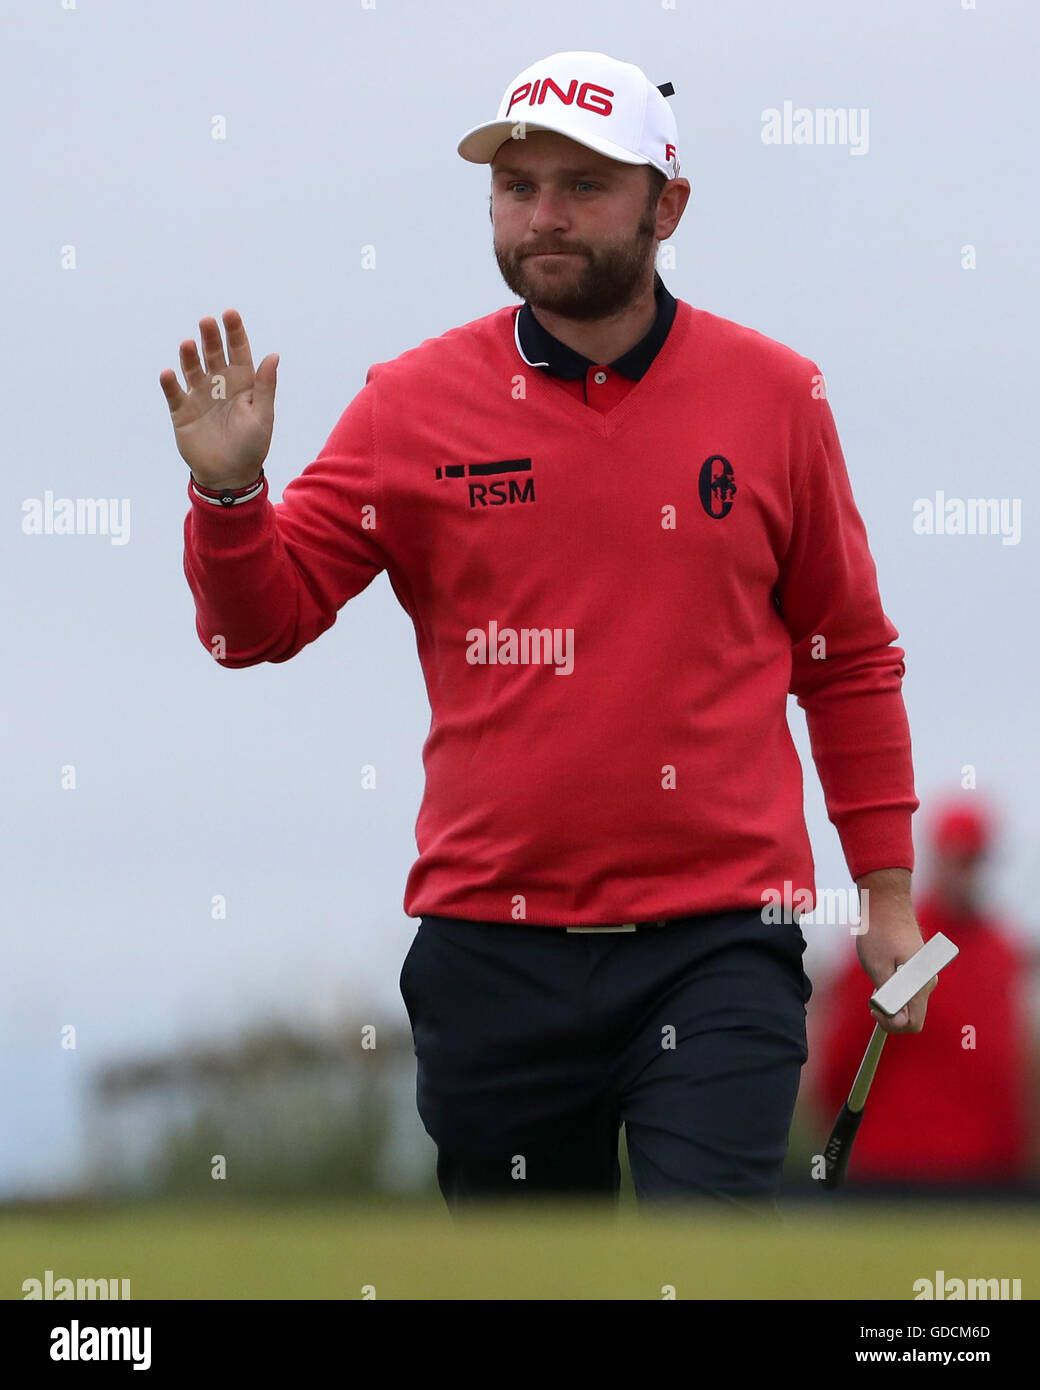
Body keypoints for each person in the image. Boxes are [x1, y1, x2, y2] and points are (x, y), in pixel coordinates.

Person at [161, 51, 931, 1212]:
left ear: (666, 206)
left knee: (706, 1267)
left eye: (582, 185)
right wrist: (230, 501)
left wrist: (883, 893)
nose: (545, 215)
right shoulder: (411, 401)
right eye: (518, 189)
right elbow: (258, 625)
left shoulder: (775, 396)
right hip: (491, 944)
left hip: (718, 938)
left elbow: (846, 657)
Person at [811, 796, 1037, 1194]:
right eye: (959, 859)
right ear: (937, 859)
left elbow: (1010, 1067)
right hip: (894, 1168)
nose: (968, 874)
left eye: (975, 861)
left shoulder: (1002, 951)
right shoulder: (898, 946)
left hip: (988, 1173)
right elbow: (841, 1061)